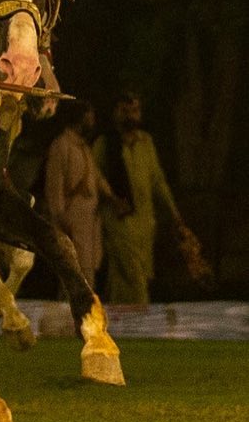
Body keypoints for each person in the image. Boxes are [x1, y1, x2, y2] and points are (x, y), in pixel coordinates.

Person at [92, 92, 193, 305]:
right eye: (125, 110)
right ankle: (143, 322)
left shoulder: (146, 142)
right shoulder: (105, 144)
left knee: (127, 277)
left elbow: (158, 181)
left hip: (145, 223)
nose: (130, 115)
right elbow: (94, 177)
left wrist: (174, 214)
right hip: (118, 221)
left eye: (135, 110)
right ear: (115, 112)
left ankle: (120, 327)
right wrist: (112, 199)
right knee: (133, 274)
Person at [43, 100, 122, 289]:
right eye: (90, 116)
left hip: (89, 218)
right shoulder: (61, 145)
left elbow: (96, 177)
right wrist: (61, 219)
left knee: (88, 267)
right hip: (72, 217)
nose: (93, 120)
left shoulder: (84, 148)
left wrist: (112, 198)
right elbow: (54, 187)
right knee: (75, 269)